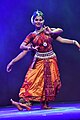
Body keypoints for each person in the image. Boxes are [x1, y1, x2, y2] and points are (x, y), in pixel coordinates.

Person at [7, 10, 80, 111]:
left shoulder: (48, 30)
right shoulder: (32, 35)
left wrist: (74, 42)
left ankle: (44, 104)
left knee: (50, 82)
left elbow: (61, 35)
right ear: (32, 21)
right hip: (39, 61)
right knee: (32, 81)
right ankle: (24, 102)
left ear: (43, 20)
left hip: (51, 60)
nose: (38, 22)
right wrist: (13, 61)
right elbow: (22, 48)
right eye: (36, 20)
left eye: (40, 20)